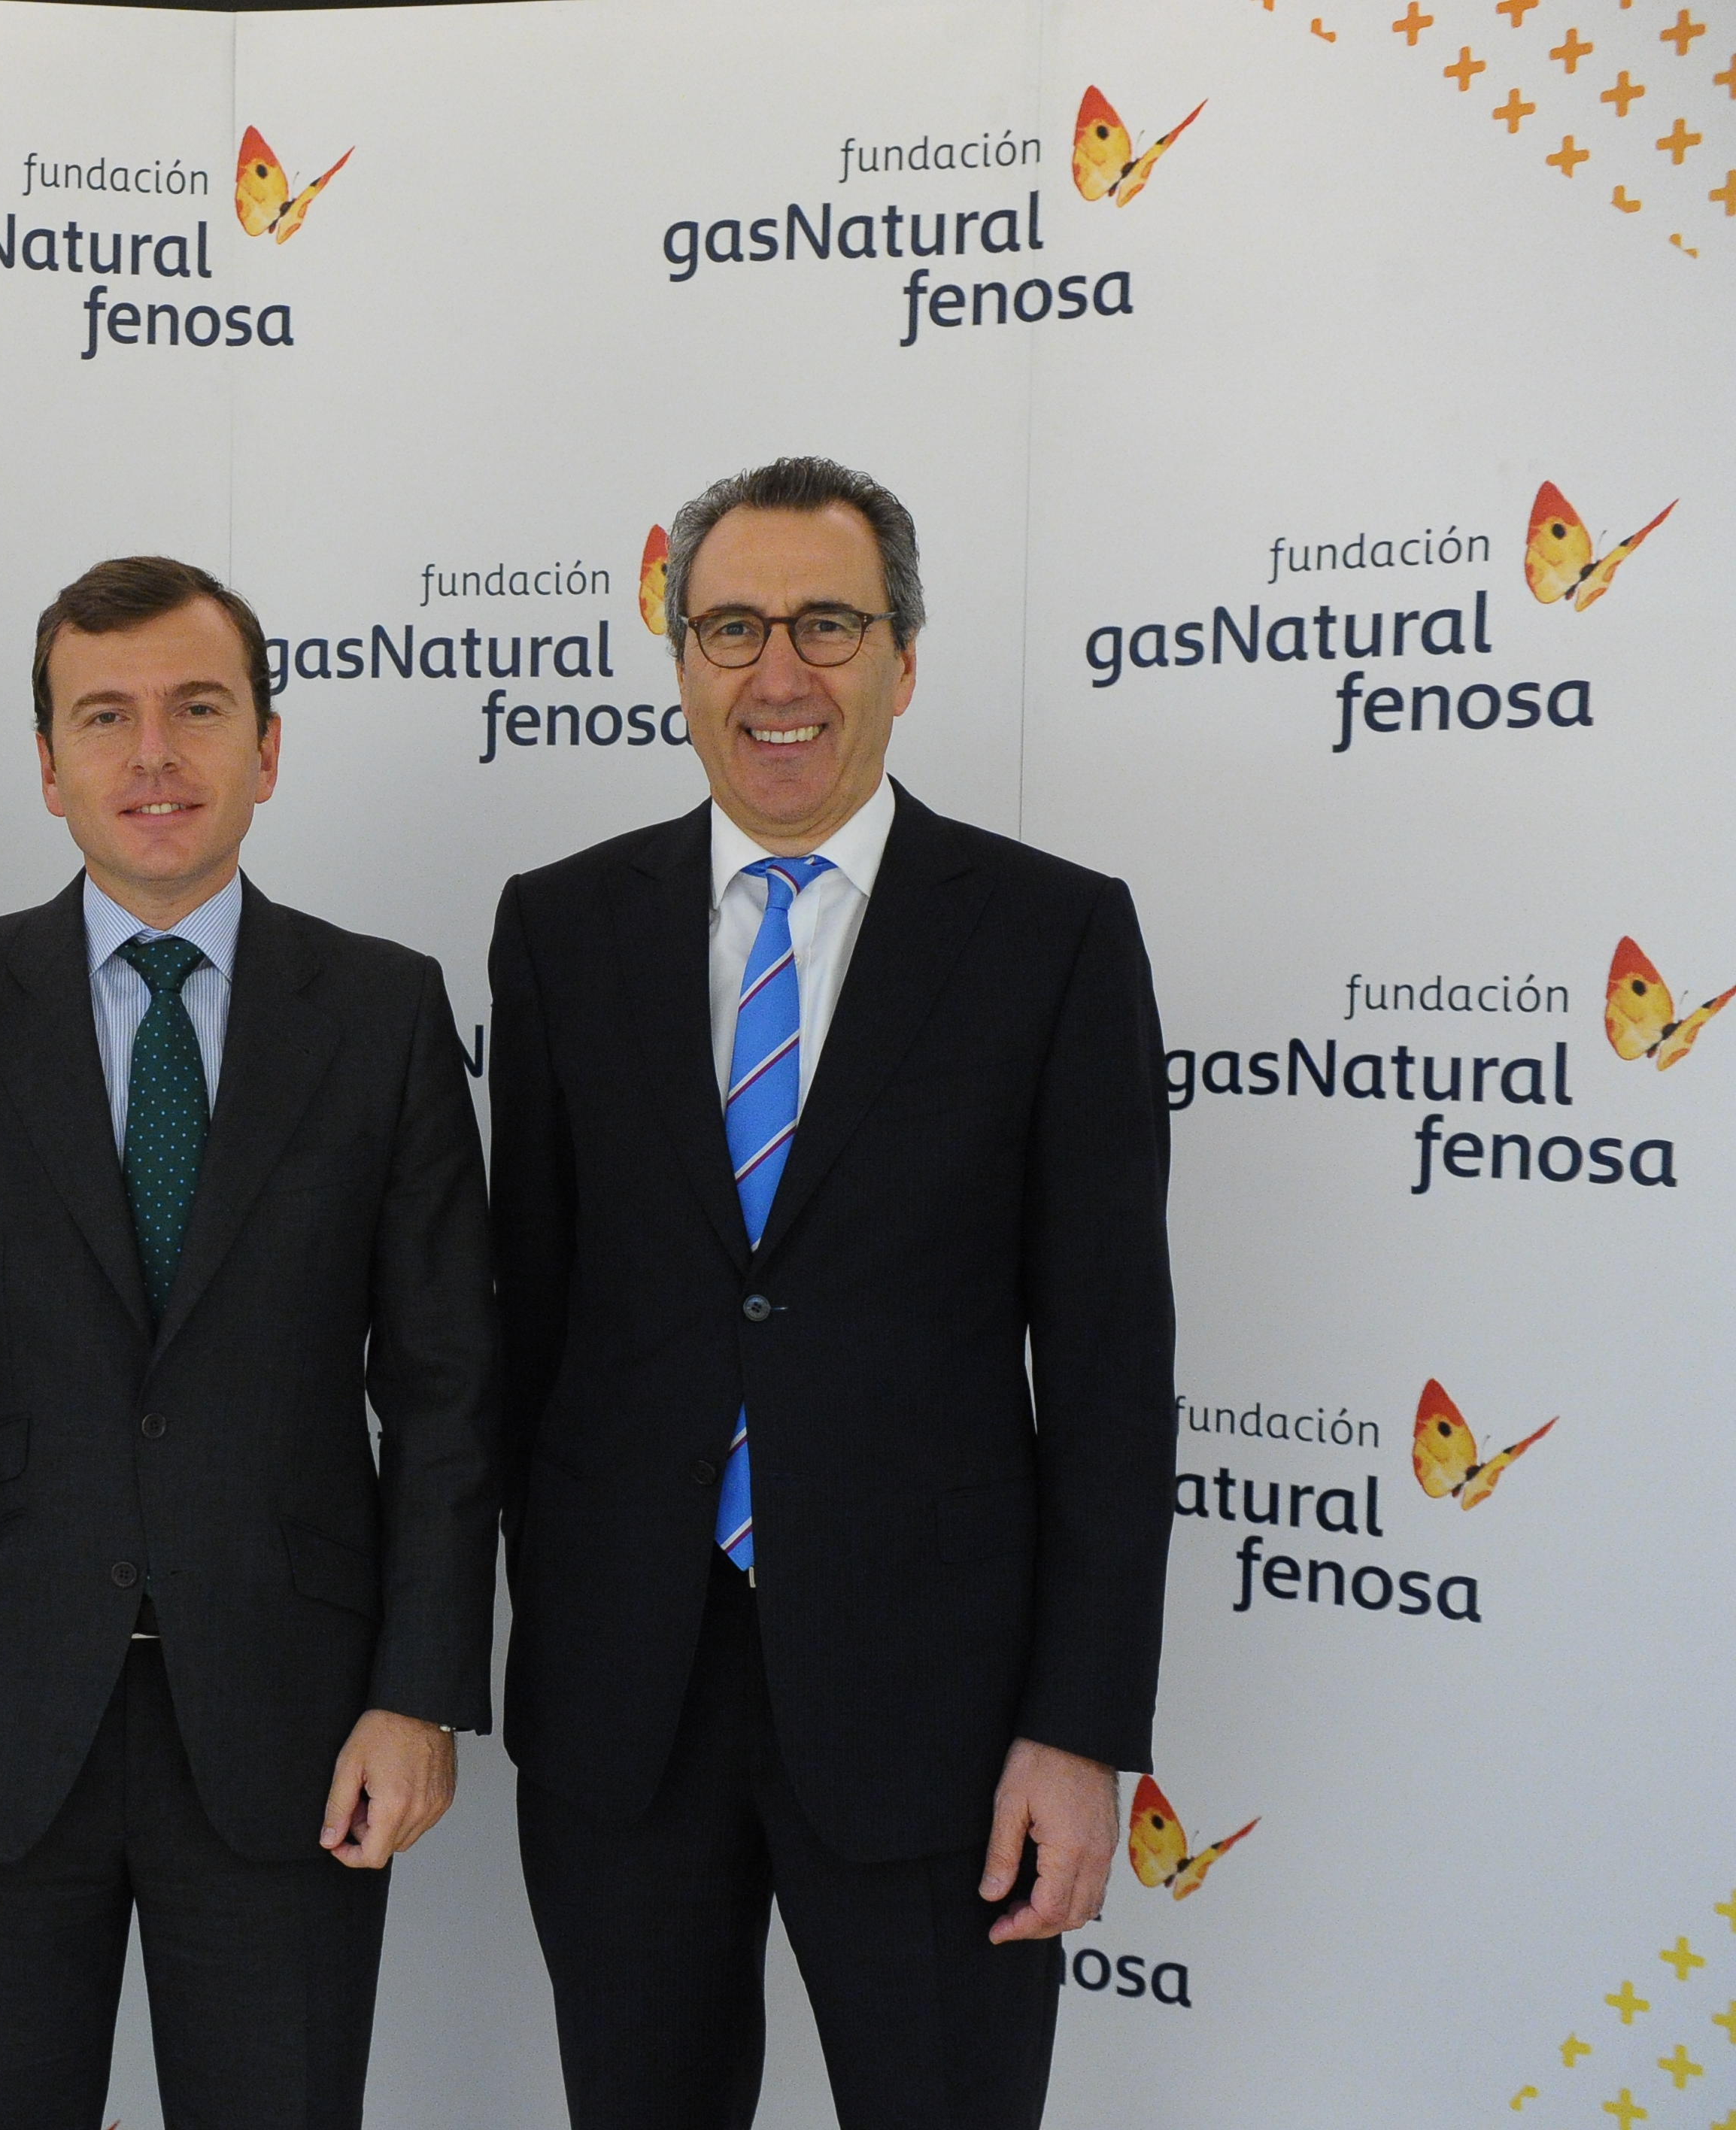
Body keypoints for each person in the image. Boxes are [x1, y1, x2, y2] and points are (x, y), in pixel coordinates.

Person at [489, 457, 1176, 2129]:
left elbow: (1108, 1371)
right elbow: (526, 1328)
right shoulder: (561, 929)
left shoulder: (1053, 937)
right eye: (730, 627)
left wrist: (1078, 1730)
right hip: (625, 1710)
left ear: (904, 660)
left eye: (827, 625)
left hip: (944, 1722)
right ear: (679, 661)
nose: (776, 673)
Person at [0, 557, 501, 2130]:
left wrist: (419, 1694)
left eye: (199, 709)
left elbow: (448, 1391)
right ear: (48, 766)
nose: (155, 755)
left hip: (296, 1723)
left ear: (269, 748)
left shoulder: (384, 1010)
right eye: (103, 716)